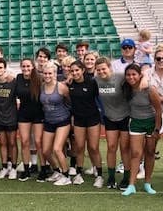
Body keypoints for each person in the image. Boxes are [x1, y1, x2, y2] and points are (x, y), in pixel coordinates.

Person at [121, 63, 162, 196]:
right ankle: (131, 185)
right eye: (128, 74)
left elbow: (158, 110)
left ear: (140, 75)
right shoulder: (125, 88)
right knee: (136, 154)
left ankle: (147, 183)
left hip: (151, 123)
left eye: (134, 74)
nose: (131, 77)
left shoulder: (150, 89)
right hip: (136, 123)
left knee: (150, 153)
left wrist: (157, 129)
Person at [94, 57, 131, 190]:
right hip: (109, 117)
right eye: (98, 70)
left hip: (125, 117)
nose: (101, 72)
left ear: (110, 68)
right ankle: (111, 177)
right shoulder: (96, 80)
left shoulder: (120, 77)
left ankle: (126, 178)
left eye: (103, 68)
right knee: (111, 147)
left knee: (125, 148)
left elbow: (137, 78)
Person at [68, 60, 103, 188]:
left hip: (93, 119)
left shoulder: (92, 82)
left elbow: (100, 98)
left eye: (77, 70)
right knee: (79, 147)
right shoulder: (70, 84)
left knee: (93, 147)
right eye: (72, 71)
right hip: (78, 120)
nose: (75, 73)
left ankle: (99, 175)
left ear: (82, 70)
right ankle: (78, 173)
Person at [39, 62, 72, 186]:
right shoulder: (41, 87)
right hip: (49, 121)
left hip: (62, 121)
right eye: (45, 73)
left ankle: (66, 175)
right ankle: (57, 171)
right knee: (46, 151)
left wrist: (71, 118)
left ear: (54, 74)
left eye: (50, 73)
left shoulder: (61, 87)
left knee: (57, 149)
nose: (47, 76)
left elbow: (70, 102)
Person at [15, 59, 44, 182]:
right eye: (23, 66)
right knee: (25, 142)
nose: (26, 68)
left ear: (33, 67)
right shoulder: (18, 77)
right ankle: (26, 169)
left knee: (38, 142)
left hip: (38, 114)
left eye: (28, 66)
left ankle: (43, 169)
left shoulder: (39, 78)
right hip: (23, 114)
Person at [0, 58, 18, 180]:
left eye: (1, 67)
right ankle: (5, 166)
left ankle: (14, 168)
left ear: (5, 68)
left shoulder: (13, 81)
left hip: (11, 116)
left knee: (12, 143)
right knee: (2, 143)